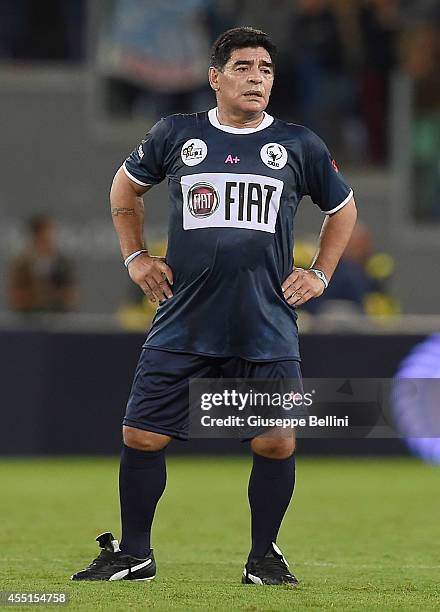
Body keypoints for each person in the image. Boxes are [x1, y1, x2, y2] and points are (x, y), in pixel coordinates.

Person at [71, 27, 357, 585]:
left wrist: (320, 272)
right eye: (244, 67)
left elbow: (342, 210)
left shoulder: (299, 145)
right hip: (186, 314)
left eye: (267, 70)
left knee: (276, 441)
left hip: (265, 319)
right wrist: (136, 259)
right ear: (215, 77)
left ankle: (264, 557)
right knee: (141, 435)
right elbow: (124, 190)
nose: (257, 79)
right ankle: (135, 553)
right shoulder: (177, 134)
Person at [8, 214, 77, 313]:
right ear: (36, 234)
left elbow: (71, 295)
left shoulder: (62, 262)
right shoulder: (22, 263)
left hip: (58, 320)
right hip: (27, 320)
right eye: (46, 232)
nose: (50, 237)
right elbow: (16, 296)